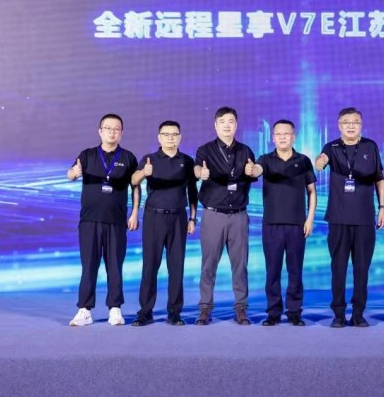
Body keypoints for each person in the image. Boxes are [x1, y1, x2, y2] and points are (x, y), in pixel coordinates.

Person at [315, 107, 384, 328]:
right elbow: (321, 160)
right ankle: (338, 314)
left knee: (361, 269)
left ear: (361, 125)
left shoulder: (370, 146)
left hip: (364, 218)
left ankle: (358, 313)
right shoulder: (332, 147)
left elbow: (379, 178)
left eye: (355, 122)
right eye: (346, 122)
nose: (351, 125)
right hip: (338, 218)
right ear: (339, 125)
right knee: (338, 268)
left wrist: (382, 207)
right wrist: (320, 161)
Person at [67, 113, 139, 327]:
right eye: (108, 128)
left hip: (116, 221)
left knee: (115, 266)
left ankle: (115, 309)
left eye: (116, 128)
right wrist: (73, 173)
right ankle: (84, 309)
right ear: (100, 131)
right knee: (89, 265)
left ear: (121, 133)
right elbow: (71, 174)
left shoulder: (128, 157)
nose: (112, 132)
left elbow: (135, 187)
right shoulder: (87, 155)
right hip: (89, 220)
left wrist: (135, 213)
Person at [248, 120, 316, 326]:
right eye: (279, 134)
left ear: (294, 136)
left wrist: (310, 218)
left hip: (297, 225)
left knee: (295, 271)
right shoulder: (265, 159)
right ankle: (274, 312)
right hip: (272, 225)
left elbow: (311, 191)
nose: (283, 137)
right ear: (273, 138)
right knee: (273, 271)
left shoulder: (303, 160)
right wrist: (252, 169)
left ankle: (294, 312)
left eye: (287, 134)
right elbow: (257, 170)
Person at [130, 120, 198, 327]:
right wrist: (143, 173)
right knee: (150, 266)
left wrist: (192, 218)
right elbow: (133, 181)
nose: (170, 138)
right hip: (154, 217)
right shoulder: (149, 159)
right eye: (166, 134)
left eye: (174, 134)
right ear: (159, 137)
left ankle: (174, 312)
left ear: (180, 137)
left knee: (176, 267)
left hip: (178, 218)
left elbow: (192, 191)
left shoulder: (187, 161)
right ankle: (145, 311)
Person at [193, 107, 257, 325]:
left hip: (238, 215)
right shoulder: (205, 150)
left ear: (236, 125)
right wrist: (200, 173)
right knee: (208, 264)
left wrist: (252, 171)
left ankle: (241, 308)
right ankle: (205, 308)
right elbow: (196, 169)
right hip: (214, 215)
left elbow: (252, 174)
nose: (227, 125)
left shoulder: (246, 151)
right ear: (215, 125)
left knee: (240, 265)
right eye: (222, 122)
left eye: (231, 121)